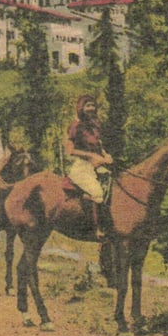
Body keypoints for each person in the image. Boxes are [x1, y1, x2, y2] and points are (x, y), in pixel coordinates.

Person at [65, 94, 114, 239]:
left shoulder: (96, 125)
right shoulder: (76, 126)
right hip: (82, 167)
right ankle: (97, 228)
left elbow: (99, 146)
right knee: (97, 192)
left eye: (93, 105)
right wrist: (91, 156)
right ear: (81, 108)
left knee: (112, 187)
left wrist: (106, 155)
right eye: (88, 106)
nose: (91, 108)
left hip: (98, 166)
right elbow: (70, 150)